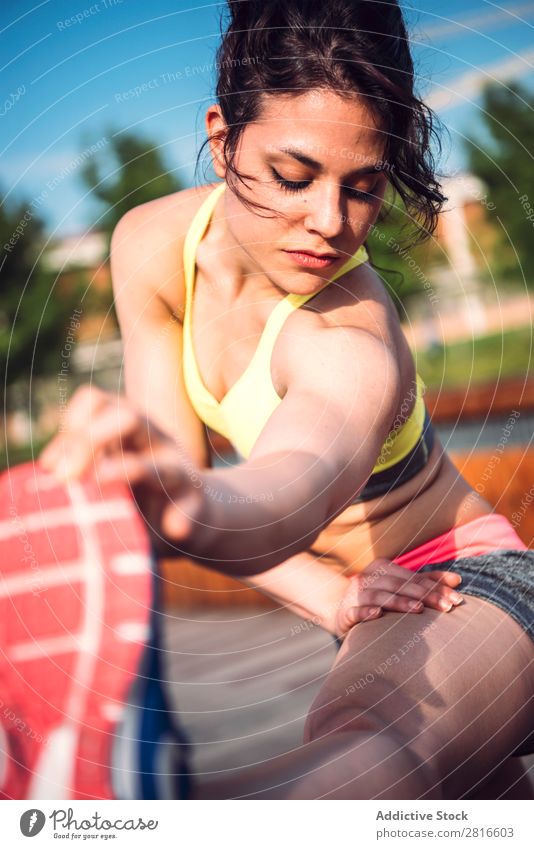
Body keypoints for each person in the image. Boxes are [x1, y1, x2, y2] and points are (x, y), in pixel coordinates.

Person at [40, 0, 534, 799]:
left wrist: (174, 491)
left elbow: (288, 483)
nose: (330, 223)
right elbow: (194, 488)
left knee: (371, 747)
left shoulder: (348, 337)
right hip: (367, 613)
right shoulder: (151, 248)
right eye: (293, 176)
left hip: (466, 584)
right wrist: (327, 593)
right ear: (223, 138)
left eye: (364, 188)